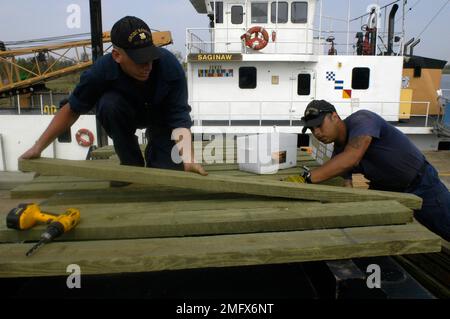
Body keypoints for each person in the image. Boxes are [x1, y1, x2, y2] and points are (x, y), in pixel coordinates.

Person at [21, 16, 207, 176]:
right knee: (109, 105)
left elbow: (179, 116)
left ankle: (157, 151)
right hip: (125, 114)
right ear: (117, 56)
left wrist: (188, 158)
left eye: (150, 56)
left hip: (162, 119)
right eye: (139, 60)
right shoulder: (100, 72)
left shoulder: (169, 67)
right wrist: (38, 147)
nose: (147, 65)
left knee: (167, 172)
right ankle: (130, 160)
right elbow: (72, 109)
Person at [299, 99, 450, 241]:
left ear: (334, 116)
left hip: (422, 184)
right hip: (388, 190)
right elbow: (346, 185)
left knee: (444, 226)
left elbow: (352, 157)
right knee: (371, 230)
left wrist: (305, 178)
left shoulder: (363, 120)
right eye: (312, 129)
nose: (316, 133)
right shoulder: (339, 153)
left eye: (319, 125)